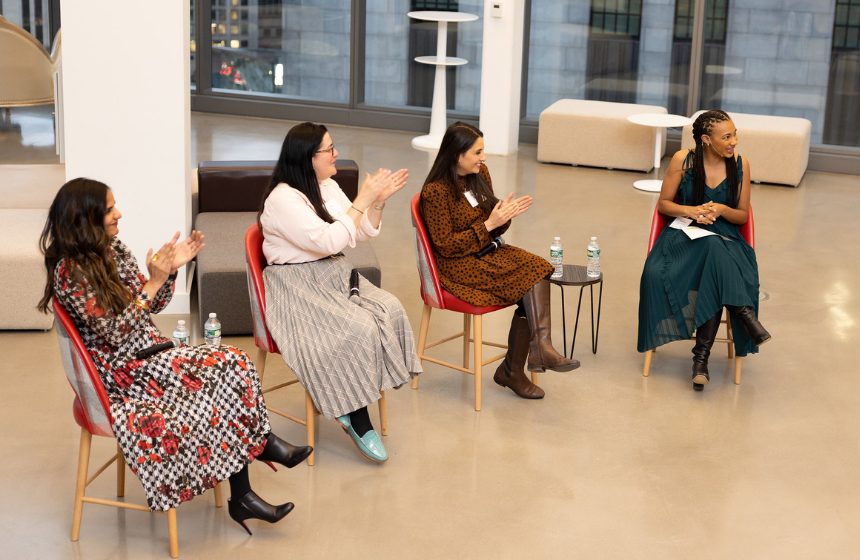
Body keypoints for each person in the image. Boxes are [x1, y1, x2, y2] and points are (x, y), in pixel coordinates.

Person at [39, 178, 313, 536]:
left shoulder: (113, 248)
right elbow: (116, 331)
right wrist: (152, 282)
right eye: (108, 209)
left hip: (148, 353)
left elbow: (150, 305)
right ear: (84, 217)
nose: (118, 214)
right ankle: (251, 472)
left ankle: (255, 464)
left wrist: (167, 275)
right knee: (217, 382)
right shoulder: (69, 273)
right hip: (123, 375)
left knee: (234, 361)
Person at [258, 122, 421, 463]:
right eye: (329, 150)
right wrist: (362, 198)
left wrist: (376, 202)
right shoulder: (283, 199)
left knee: (389, 308)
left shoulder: (327, 185)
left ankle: (353, 396)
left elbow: (359, 231)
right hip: (294, 286)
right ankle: (356, 415)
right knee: (357, 327)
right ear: (308, 158)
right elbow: (330, 239)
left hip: (331, 273)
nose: (336, 155)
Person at [420, 121, 579, 401]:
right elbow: (444, 247)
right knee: (529, 280)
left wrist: (502, 218)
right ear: (458, 154)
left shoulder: (480, 175)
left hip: (486, 251)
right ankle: (518, 368)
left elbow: (492, 224)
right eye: (478, 152)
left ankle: (533, 353)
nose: (484, 158)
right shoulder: (435, 192)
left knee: (538, 267)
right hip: (456, 266)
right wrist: (488, 225)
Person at [637, 109, 771, 390]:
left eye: (734, 134)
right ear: (706, 139)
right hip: (682, 237)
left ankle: (702, 358)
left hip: (727, 239)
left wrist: (722, 209)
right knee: (711, 251)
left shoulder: (741, 165)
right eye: (727, 136)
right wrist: (692, 211)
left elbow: (742, 216)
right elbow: (664, 204)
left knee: (714, 252)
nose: (734, 141)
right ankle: (743, 314)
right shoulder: (682, 160)